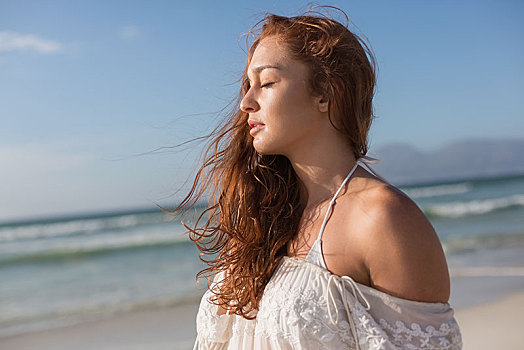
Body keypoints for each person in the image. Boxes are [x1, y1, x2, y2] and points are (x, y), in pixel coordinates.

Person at [179, 6, 462, 350]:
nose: (246, 102)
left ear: (325, 94)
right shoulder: (262, 215)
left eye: (266, 82)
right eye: (247, 85)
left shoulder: (383, 220)